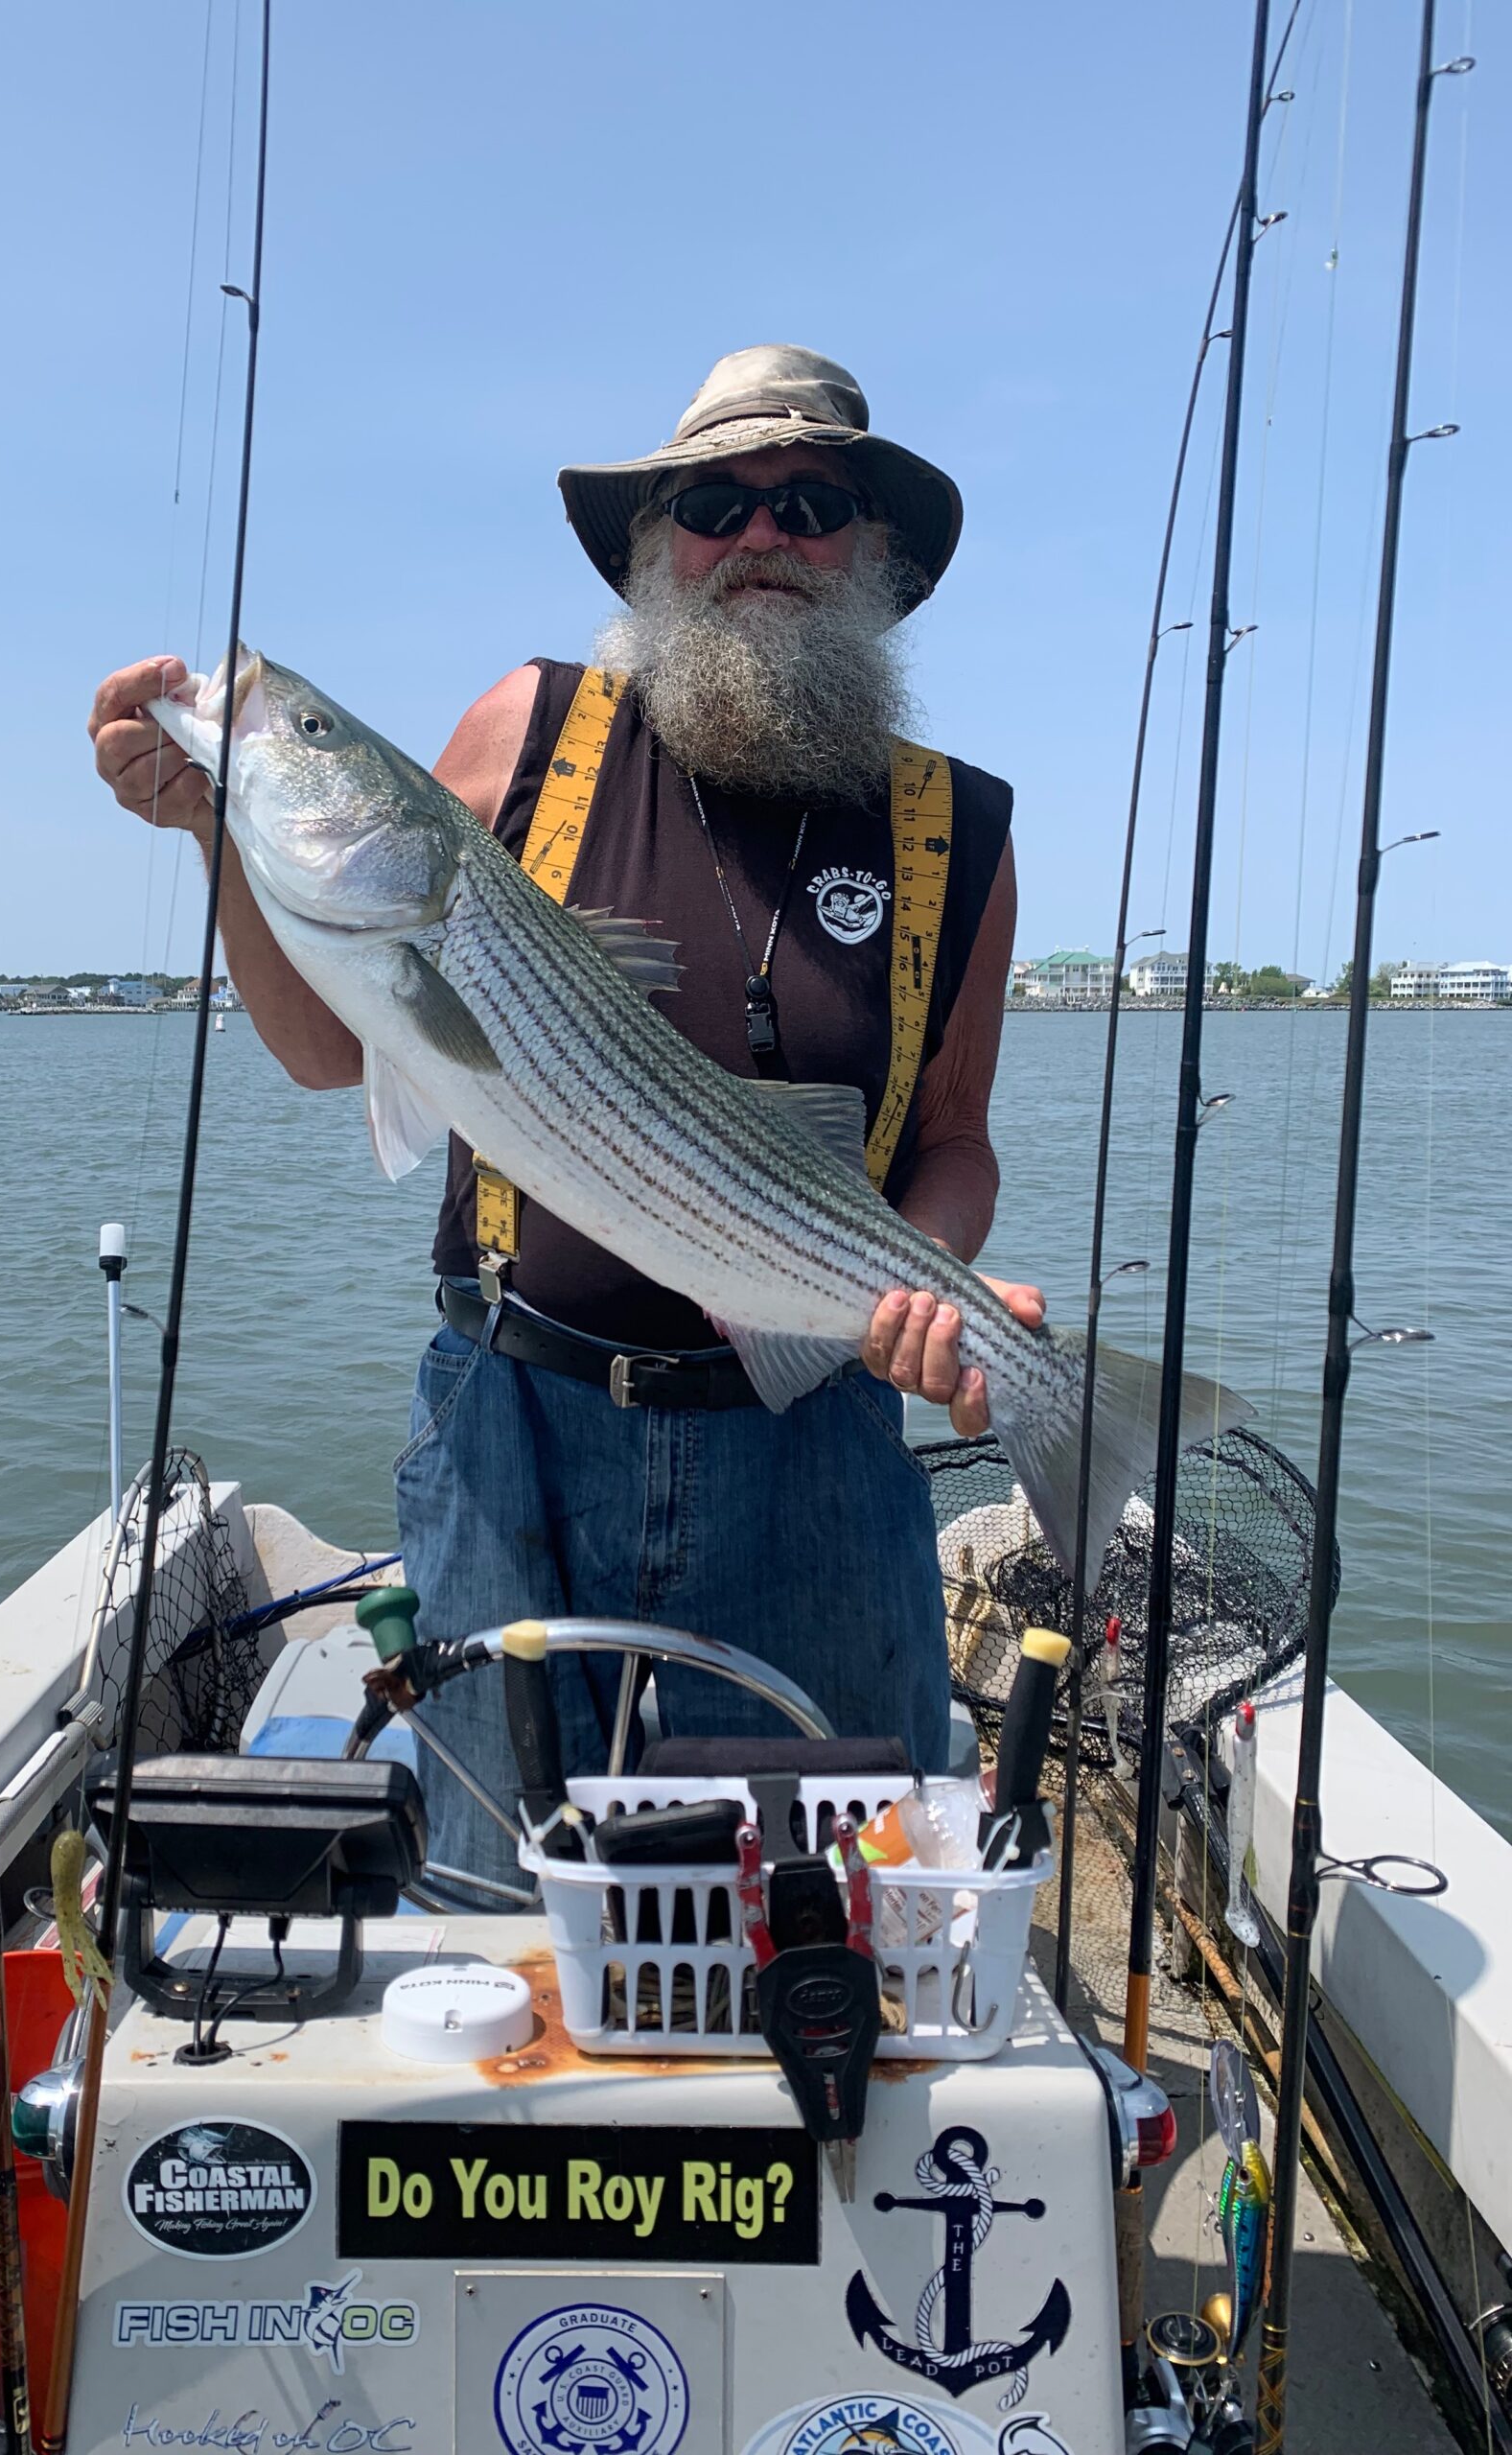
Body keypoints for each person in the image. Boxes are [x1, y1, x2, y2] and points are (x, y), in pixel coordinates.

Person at [89, 345, 1042, 1906]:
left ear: (875, 553)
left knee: (830, 1900)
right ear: (655, 545)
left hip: (812, 1441)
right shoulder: (533, 728)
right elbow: (333, 1050)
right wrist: (215, 828)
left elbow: (954, 1137)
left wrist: (924, 1285)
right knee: (493, 1893)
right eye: (713, 505)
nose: (760, 536)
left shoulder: (961, 827)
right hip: (512, 1427)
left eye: (809, 506)